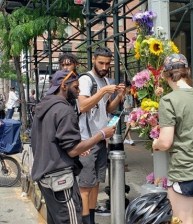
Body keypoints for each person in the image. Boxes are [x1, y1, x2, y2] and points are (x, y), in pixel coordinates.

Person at [31, 70, 116, 224]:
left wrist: (79, 149)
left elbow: (51, 142)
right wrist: (101, 134)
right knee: (70, 220)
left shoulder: (43, 107)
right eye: (76, 88)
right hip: (60, 179)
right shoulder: (64, 110)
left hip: (45, 175)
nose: (78, 92)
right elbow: (72, 150)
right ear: (64, 86)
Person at [152, 53, 193, 224]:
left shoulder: (169, 100)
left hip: (186, 170)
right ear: (187, 71)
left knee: (182, 219)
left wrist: (155, 143)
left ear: (165, 74)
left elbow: (165, 142)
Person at [77, 46, 125, 224]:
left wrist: (118, 97)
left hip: (101, 139)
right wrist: (103, 91)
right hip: (87, 140)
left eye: (107, 63)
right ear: (93, 60)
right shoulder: (86, 79)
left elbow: (106, 109)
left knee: (96, 181)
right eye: (101, 63)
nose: (105, 67)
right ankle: (84, 220)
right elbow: (83, 106)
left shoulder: (105, 81)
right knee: (85, 184)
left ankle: (91, 218)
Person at [123, 81, 135, 145]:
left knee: (128, 126)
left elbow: (132, 103)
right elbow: (125, 105)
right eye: (128, 88)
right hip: (127, 112)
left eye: (130, 87)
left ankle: (125, 139)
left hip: (131, 111)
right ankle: (130, 139)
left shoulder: (131, 94)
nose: (130, 89)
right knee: (128, 126)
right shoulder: (124, 95)